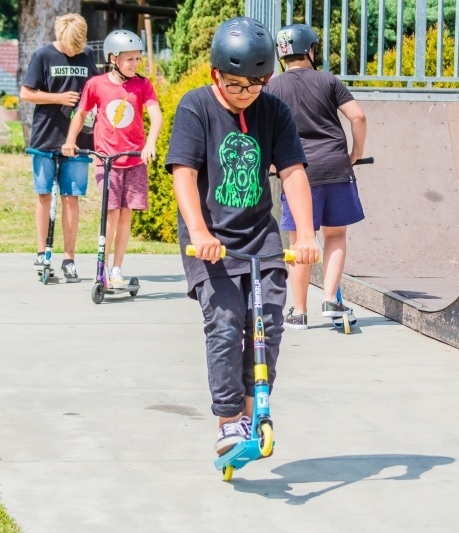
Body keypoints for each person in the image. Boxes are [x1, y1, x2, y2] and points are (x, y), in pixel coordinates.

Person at [165, 17, 319, 455]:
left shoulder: (274, 111)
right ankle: (229, 420)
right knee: (228, 324)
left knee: (268, 322)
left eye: (254, 85)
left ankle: (254, 412)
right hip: (209, 240)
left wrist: (304, 234)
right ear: (216, 74)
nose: (244, 94)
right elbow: (183, 173)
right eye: (234, 85)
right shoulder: (196, 106)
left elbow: (292, 172)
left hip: (260, 238)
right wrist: (199, 231)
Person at [266, 23, 367, 329]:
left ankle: (298, 311)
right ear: (310, 50)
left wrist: (272, 163)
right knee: (335, 234)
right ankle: (330, 301)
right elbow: (358, 116)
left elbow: (264, 127)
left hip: (296, 172)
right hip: (335, 167)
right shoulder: (328, 80)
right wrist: (355, 153)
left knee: (299, 241)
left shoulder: (273, 87)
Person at [62, 30, 162, 289]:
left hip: (134, 159)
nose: (135, 64)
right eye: (129, 59)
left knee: (126, 213)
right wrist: (70, 141)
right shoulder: (96, 84)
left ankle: (117, 268)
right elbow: (81, 113)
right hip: (107, 160)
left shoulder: (142, 84)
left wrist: (149, 143)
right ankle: (102, 269)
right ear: (113, 58)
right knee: (111, 213)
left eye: (138, 59)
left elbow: (156, 115)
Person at [20, 13, 99, 282]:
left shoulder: (87, 55)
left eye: (77, 46)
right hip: (46, 136)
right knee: (44, 195)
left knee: (71, 197)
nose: (73, 50)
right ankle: (42, 253)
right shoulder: (43, 56)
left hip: (78, 140)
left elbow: (97, 90)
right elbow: (26, 93)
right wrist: (58, 98)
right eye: (69, 46)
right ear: (60, 36)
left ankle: (69, 258)